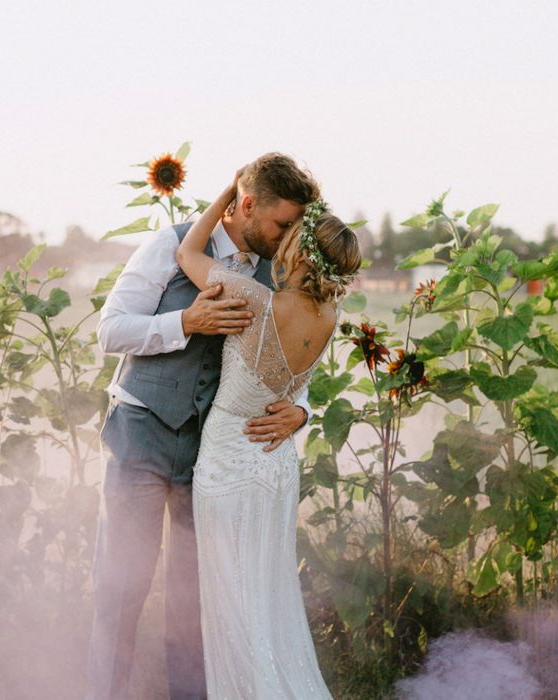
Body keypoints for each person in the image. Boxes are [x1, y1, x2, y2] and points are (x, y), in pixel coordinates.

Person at [86, 153, 320, 699]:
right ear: (244, 205)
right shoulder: (171, 244)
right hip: (141, 434)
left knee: (195, 601)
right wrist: (185, 322)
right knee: (120, 589)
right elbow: (110, 330)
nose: (289, 237)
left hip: (213, 457)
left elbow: (297, 357)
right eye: (282, 224)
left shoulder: (279, 272)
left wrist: (304, 411)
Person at [175, 170, 362, 698]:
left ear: (302, 253)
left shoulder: (255, 300)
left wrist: (227, 196)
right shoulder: (329, 313)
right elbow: (297, 386)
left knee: (233, 603)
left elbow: (189, 252)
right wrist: (300, 413)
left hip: (231, 461)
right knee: (270, 597)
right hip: (277, 463)